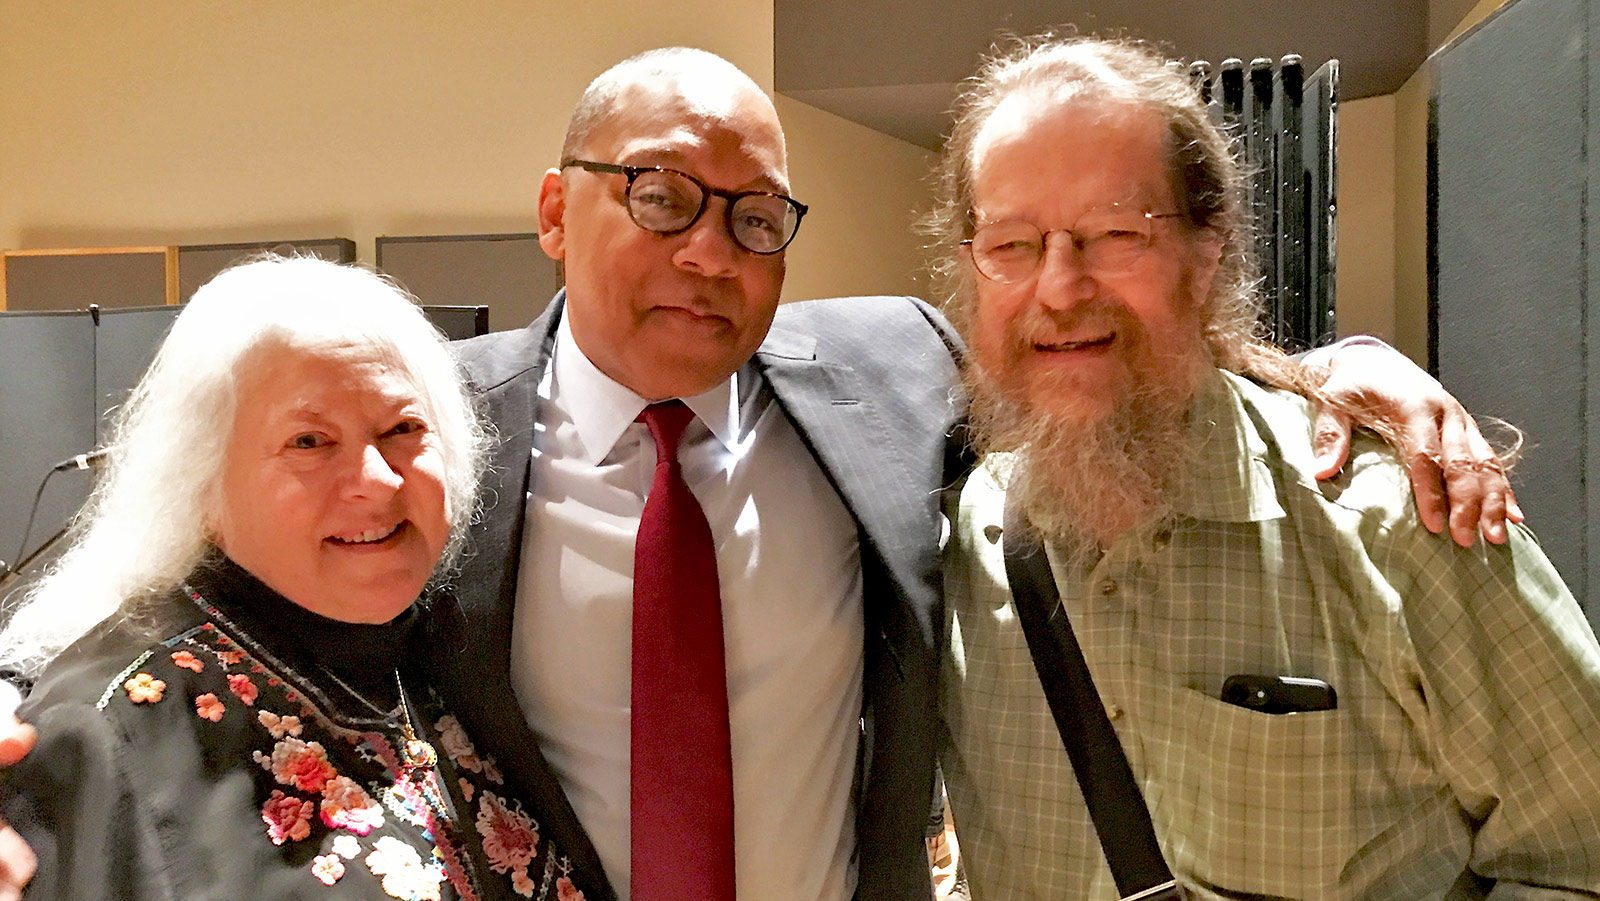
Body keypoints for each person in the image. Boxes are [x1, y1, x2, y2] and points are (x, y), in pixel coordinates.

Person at [0, 47, 1517, 901]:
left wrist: (1330, 371)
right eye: (656, 193)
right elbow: (164, 577)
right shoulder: (424, 437)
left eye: (750, 217)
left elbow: (1086, 350)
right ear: (553, 209)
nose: (702, 250)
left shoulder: (893, 374)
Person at [933, 35, 1600, 898]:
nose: (1059, 287)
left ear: (1206, 253)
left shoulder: (1403, 524)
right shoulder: (957, 531)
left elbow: (1580, 856)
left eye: (1111, 233)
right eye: (1013, 244)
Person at [0, 256, 596, 900]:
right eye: (309, 442)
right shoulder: (104, 734)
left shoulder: (452, 645)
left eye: (404, 428)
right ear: (199, 480)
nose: (379, 481)